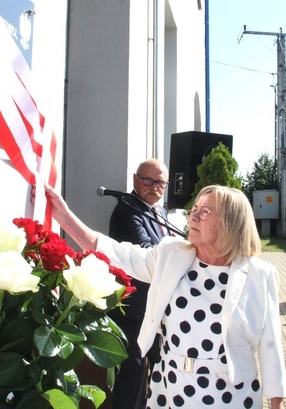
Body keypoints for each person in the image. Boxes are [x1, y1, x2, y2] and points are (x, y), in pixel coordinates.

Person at [44, 183, 286, 409]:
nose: (193, 216)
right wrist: (63, 215)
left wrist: (276, 403)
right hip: (171, 388)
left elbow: (271, 344)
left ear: (231, 222)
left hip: (230, 394)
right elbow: (119, 254)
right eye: (195, 208)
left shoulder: (259, 275)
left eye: (205, 212)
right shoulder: (171, 254)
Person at [107, 159, 170, 409]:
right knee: (131, 380)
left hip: (154, 309)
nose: (154, 186)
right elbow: (147, 252)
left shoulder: (158, 211)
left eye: (160, 183)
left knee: (159, 374)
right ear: (135, 180)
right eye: (148, 180)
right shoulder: (127, 209)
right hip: (133, 311)